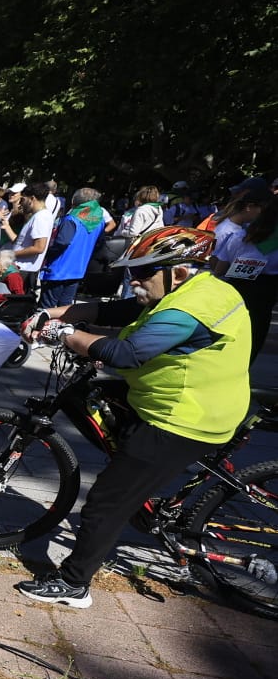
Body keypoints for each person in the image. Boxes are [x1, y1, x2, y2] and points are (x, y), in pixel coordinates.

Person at [15, 227, 250, 607]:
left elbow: (127, 354)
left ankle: (74, 584)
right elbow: (116, 309)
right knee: (100, 403)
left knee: (106, 502)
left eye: (143, 273)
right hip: (178, 398)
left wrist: (65, 335)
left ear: (181, 270)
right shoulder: (191, 290)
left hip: (184, 418)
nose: (134, 281)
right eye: (131, 273)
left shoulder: (189, 309)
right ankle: (138, 488)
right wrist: (53, 312)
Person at [210, 191, 278, 361]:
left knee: (225, 341)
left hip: (233, 292)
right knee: (251, 344)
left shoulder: (239, 237)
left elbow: (219, 270)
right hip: (264, 297)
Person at [38, 188, 112, 307]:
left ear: (74, 201)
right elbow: (99, 244)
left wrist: (47, 252)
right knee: (65, 308)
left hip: (58, 270)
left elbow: (62, 242)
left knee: (47, 307)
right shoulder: (99, 221)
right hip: (78, 270)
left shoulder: (71, 219)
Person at [3, 181, 55, 297]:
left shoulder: (41, 217)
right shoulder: (37, 216)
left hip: (24, 271)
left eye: (23, 199)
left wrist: (12, 254)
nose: (21, 203)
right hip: (20, 269)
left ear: (32, 198)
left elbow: (39, 247)